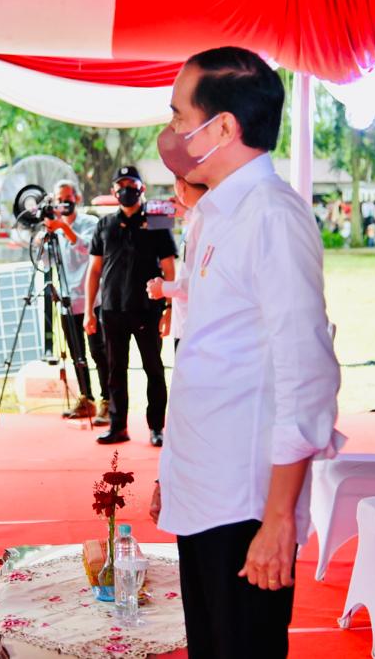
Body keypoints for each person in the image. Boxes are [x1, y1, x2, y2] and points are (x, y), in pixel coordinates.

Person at [150, 47, 342, 658]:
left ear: (223, 127)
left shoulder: (272, 217)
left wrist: (279, 517)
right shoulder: (216, 213)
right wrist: (175, 473)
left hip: (247, 502)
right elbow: (213, 355)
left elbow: (306, 373)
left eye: (181, 116)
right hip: (207, 488)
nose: (172, 131)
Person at [85, 166, 176, 446]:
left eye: (132, 185)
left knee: (154, 369)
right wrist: (89, 311)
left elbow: (169, 269)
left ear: (141, 189)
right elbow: (94, 270)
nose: (126, 190)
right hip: (112, 309)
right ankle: (118, 426)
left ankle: (157, 427)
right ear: (113, 190)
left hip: (148, 309)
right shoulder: (104, 225)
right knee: (115, 370)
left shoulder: (157, 222)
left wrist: (170, 309)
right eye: (121, 185)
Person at [43, 179, 110, 422]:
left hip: (92, 300)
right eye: (59, 200)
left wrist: (63, 227)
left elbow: (87, 248)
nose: (64, 203)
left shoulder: (90, 223)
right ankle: (86, 398)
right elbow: (46, 263)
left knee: (99, 352)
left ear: (77, 199)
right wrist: (44, 238)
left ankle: (108, 401)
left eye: (68, 199)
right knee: (77, 355)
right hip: (67, 301)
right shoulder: (55, 230)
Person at [146, 177, 208, 351]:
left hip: (194, 326)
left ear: (181, 186)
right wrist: (185, 213)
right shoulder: (199, 218)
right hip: (190, 323)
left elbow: (205, 281)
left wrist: (163, 288)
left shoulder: (204, 220)